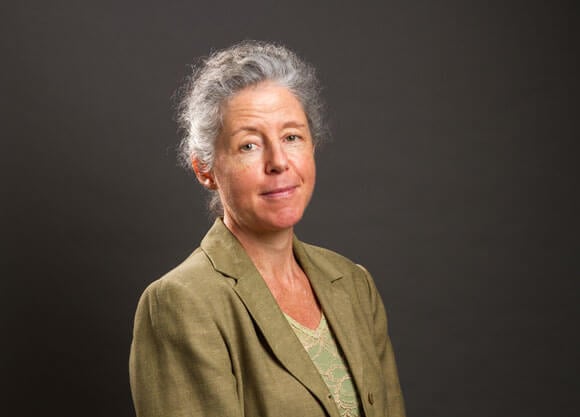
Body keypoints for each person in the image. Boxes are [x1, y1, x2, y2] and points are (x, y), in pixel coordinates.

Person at [129, 41, 405, 417]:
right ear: (204, 169)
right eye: (249, 145)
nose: (278, 162)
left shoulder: (354, 284)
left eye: (292, 137)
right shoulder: (181, 304)